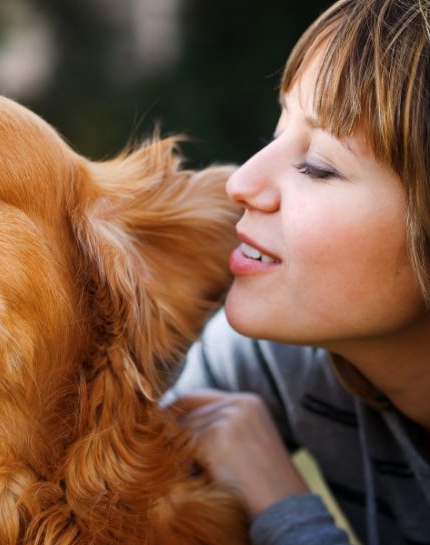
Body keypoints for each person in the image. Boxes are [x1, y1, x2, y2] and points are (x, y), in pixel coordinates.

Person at [162, 0, 430, 544]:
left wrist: (285, 511)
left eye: (319, 166)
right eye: (278, 131)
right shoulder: (288, 360)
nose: (242, 182)